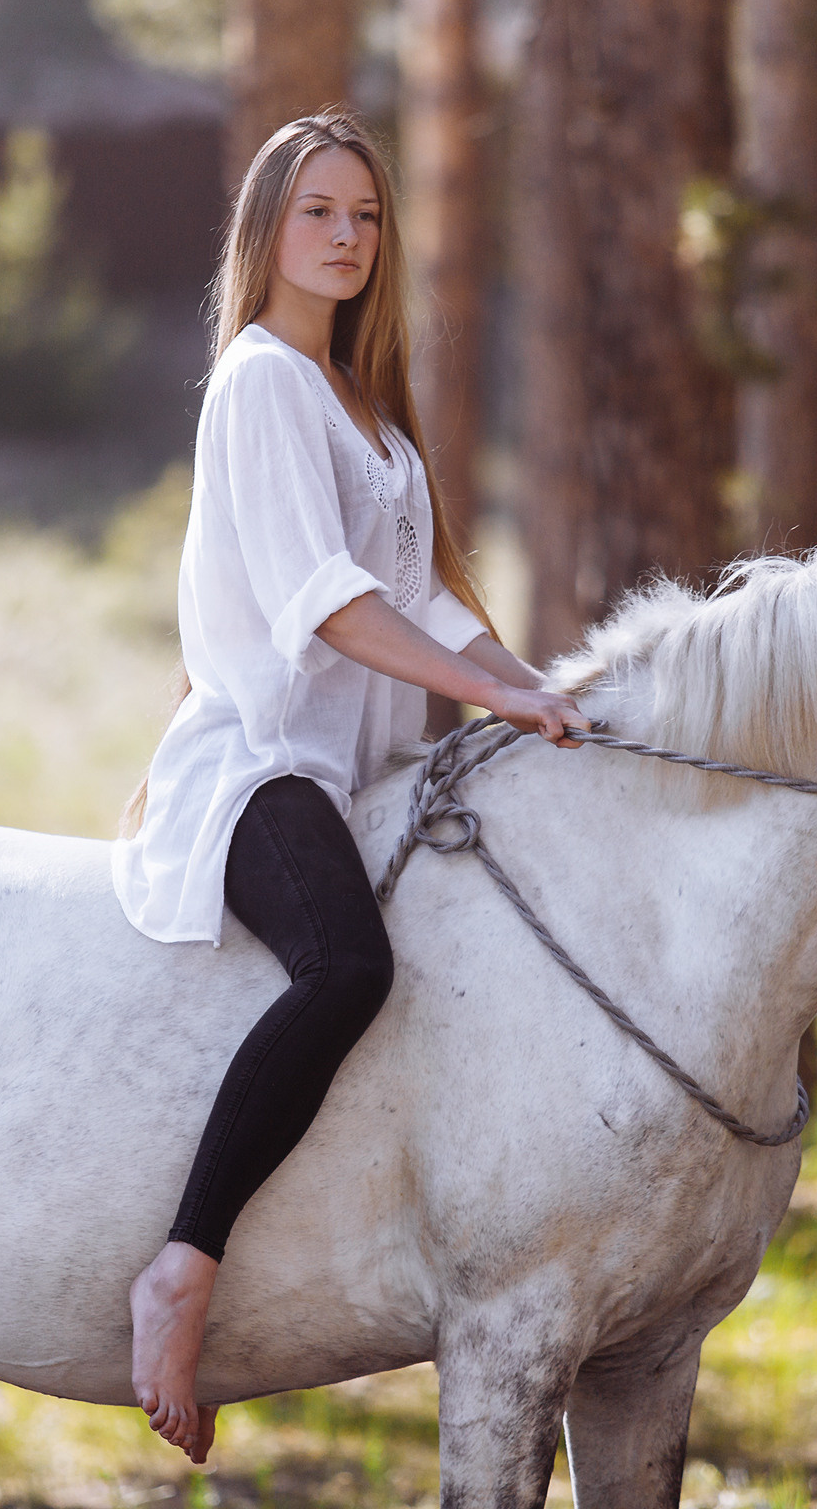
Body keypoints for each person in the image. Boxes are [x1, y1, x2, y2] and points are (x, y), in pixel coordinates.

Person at [110, 111, 585, 1465]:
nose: (347, 237)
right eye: (320, 212)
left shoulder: (366, 409)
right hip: (263, 761)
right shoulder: (261, 381)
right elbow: (329, 605)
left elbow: (430, 591)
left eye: (367, 217)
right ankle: (184, 1265)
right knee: (346, 971)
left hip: (358, 771)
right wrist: (489, 693)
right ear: (267, 232)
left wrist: (536, 686)